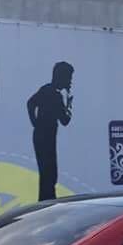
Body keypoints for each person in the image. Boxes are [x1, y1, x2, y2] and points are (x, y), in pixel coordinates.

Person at [27, 61, 73, 201]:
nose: (70, 81)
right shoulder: (55, 95)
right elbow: (65, 120)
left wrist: (35, 123)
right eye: (69, 78)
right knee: (49, 173)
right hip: (45, 137)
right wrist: (69, 105)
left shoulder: (46, 89)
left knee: (47, 173)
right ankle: (47, 201)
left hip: (42, 136)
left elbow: (31, 103)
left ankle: (46, 200)